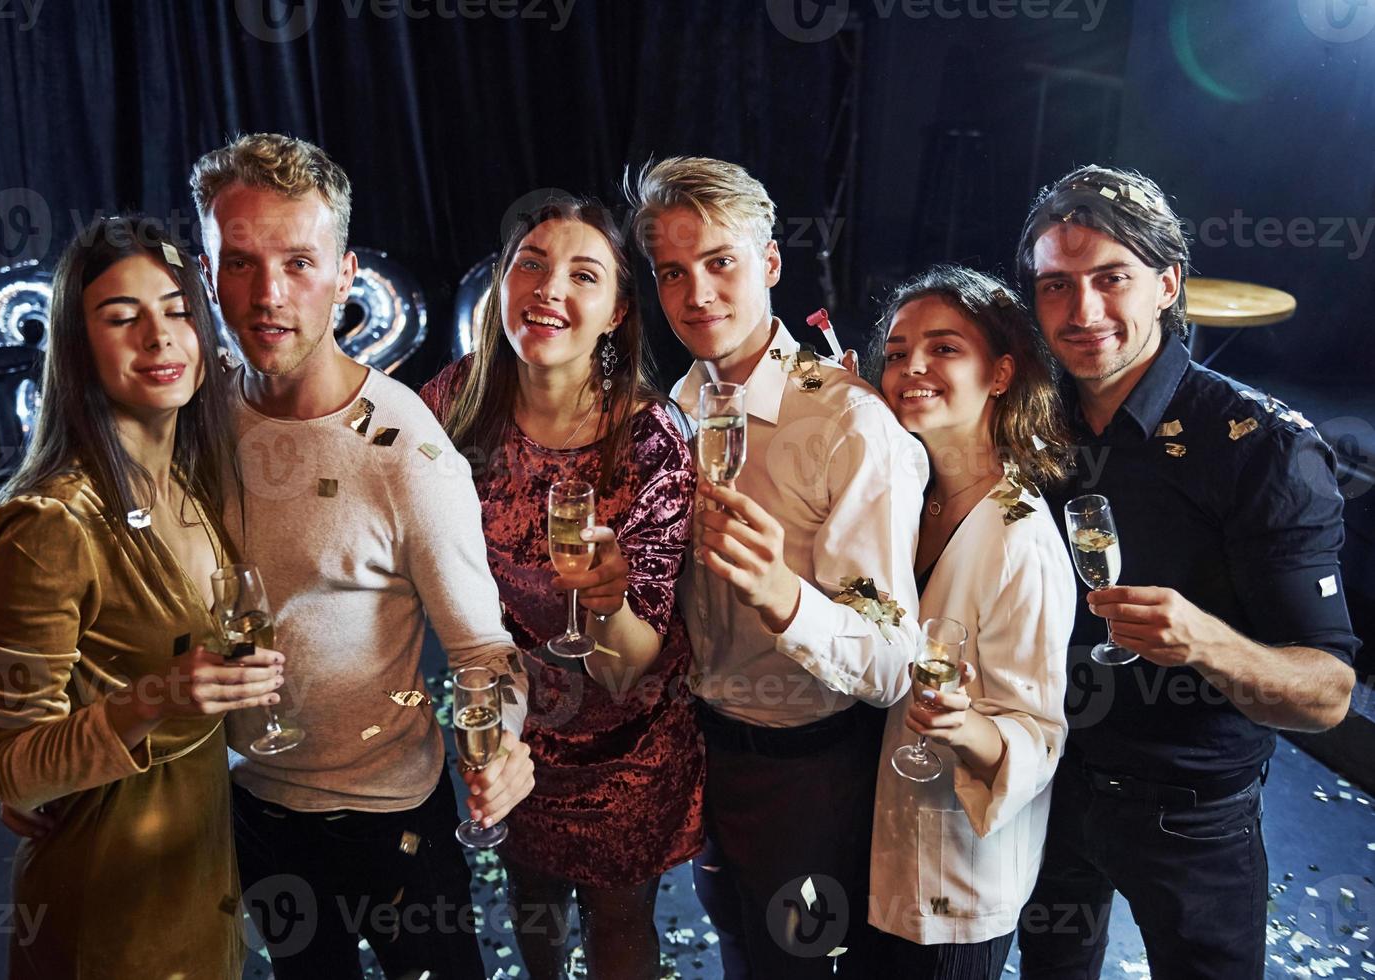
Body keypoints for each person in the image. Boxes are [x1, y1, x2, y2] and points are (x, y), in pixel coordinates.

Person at [190, 133, 535, 979]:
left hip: (393, 824)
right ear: (206, 276)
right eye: (239, 263)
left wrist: (503, 745)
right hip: (247, 807)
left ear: (346, 277)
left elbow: (485, 652)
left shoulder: (405, 452)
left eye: (299, 263)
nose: (268, 296)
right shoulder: (192, 422)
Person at [1013, 165, 1359, 979]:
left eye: (1111, 279)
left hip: (1187, 814)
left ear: (1167, 283)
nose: (1084, 311)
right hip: (1041, 776)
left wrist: (1206, 641)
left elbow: (1327, 695)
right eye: (1056, 285)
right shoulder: (1025, 417)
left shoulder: (1260, 447)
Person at [628, 155, 926, 976]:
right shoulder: (671, 414)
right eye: (672, 273)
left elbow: (894, 660)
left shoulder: (849, 427)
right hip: (700, 753)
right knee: (737, 949)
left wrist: (783, 595)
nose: (696, 296)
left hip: (810, 773)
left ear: (767, 264)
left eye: (720, 263)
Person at [0, 214, 282, 978]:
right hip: (106, 914)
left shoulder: (194, 486)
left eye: (176, 311)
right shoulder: (50, 523)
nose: (158, 337)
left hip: (201, 888)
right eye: (122, 317)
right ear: (79, 349)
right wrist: (158, 696)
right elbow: (16, 771)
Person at [419, 194, 702, 980]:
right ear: (502, 283)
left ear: (614, 313)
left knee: (617, 931)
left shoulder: (650, 436)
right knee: (533, 915)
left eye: (583, 275)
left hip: (628, 740)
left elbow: (631, 662)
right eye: (531, 266)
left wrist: (606, 600)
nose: (548, 290)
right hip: (514, 725)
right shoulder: (453, 400)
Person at [862, 265, 1075, 979]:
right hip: (871, 853)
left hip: (951, 889)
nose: (910, 367)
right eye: (895, 352)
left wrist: (962, 725)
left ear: (1000, 373)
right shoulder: (904, 495)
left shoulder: (1021, 539)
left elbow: (1038, 734)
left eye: (943, 348)